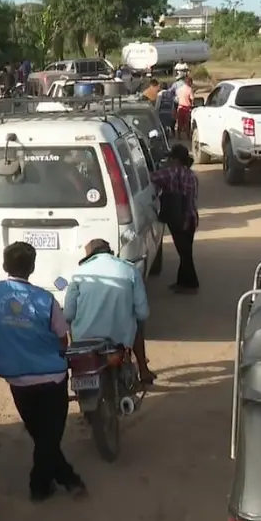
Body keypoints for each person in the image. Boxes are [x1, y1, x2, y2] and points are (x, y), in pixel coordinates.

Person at [0, 244, 87, 502]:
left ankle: (59, 482)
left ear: (5, 267)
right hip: (52, 378)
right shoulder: (45, 300)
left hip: (18, 379)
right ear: (33, 268)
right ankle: (50, 484)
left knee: (41, 435)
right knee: (48, 437)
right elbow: (62, 338)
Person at [63, 238, 155, 384]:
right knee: (138, 325)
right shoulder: (130, 270)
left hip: (84, 341)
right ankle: (143, 370)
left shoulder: (79, 274)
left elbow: (68, 314)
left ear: (88, 257)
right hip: (120, 340)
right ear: (111, 253)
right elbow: (142, 313)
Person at [151, 144, 200, 294]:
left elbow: (151, 177)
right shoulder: (192, 175)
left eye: (171, 157)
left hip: (178, 218)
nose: (169, 160)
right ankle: (182, 282)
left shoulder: (171, 173)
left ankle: (191, 284)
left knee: (184, 253)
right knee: (185, 250)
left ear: (176, 160)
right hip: (191, 217)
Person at [175, 75, 195, 140]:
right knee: (187, 123)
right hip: (187, 108)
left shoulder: (179, 89)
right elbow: (192, 99)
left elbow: (177, 98)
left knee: (179, 123)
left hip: (180, 107)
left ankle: (178, 136)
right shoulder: (189, 90)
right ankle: (188, 136)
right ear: (189, 82)